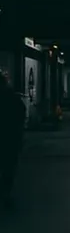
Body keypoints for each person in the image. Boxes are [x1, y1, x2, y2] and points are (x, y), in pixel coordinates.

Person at [0, 72, 26, 209]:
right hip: (10, 139)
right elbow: (21, 114)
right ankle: (5, 193)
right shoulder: (12, 97)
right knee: (8, 168)